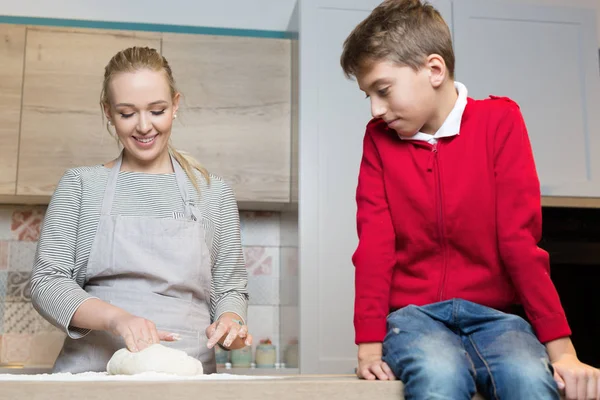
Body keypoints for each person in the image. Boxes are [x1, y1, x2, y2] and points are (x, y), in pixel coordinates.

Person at [340, 1, 600, 399]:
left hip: (497, 318)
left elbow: (519, 241)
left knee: (529, 380)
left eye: (383, 90)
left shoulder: (501, 122)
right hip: (414, 317)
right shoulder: (378, 140)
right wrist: (369, 343)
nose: (376, 109)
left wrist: (561, 347)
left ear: (434, 70)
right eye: (369, 96)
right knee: (440, 373)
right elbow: (375, 245)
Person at [30, 46, 251, 374]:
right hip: (91, 377)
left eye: (157, 110)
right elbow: (47, 283)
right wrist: (117, 319)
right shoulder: (80, 185)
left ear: (175, 105)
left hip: (187, 382)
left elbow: (230, 287)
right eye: (127, 113)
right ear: (108, 111)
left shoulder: (213, 193)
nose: (144, 126)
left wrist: (230, 323)